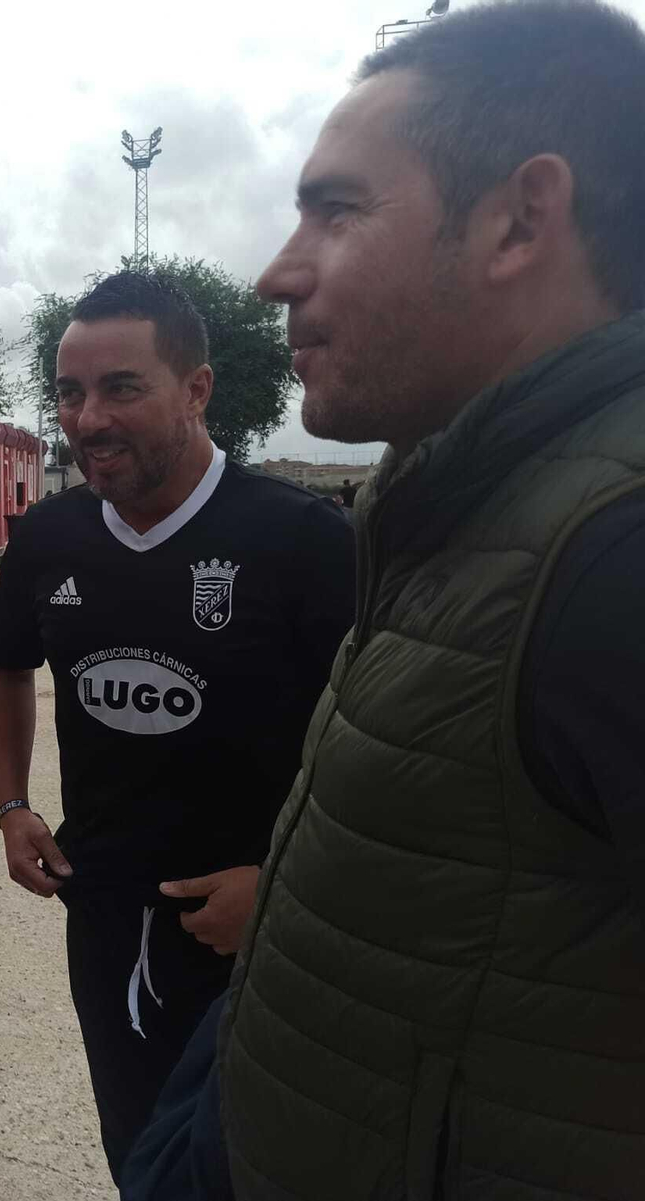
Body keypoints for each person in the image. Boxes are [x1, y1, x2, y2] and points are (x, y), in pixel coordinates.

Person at [220, 3, 645, 1198]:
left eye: (335, 207)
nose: (277, 270)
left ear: (520, 219)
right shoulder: (454, 497)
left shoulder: (615, 549)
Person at [0, 271, 355, 1183]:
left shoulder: (305, 540)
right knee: (140, 1156)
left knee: (272, 1168)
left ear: (198, 389)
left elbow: (383, 740)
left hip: (268, 936)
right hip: (108, 919)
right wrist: (13, 802)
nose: (88, 417)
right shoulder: (50, 539)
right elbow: (1, 664)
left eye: (121, 387)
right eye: (69, 392)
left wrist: (284, 886)